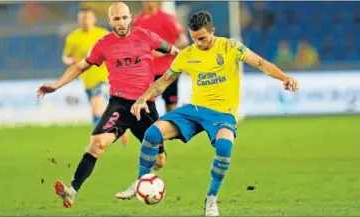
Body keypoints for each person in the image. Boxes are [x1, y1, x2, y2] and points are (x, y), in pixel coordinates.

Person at [116, 11, 299, 216]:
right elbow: (164, 81)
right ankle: (141, 180)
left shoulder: (230, 47)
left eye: (202, 38)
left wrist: (284, 77)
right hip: (195, 110)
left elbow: (260, 63)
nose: (198, 44)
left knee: (223, 146)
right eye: (194, 39)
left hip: (223, 114)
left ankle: (211, 199)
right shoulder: (188, 54)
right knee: (151, 134)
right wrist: (142, 99)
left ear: (212, 31)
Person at [36, 2, 179, 208]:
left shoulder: (146, 36)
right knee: (97, 144)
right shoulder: (104, 43)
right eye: (116, 19)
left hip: (145, 105)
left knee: (160, 161)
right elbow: (80, 66)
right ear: (110, 20)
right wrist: (57, 85)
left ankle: (141, 180)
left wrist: (190, 60)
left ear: (130, 17)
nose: (121, 22)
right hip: (119, 105)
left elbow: (172, 50)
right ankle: (72, 190)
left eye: (124, 18)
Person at [62, 7, 129, 146]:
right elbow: (66, 56)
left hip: (105, 77)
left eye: (88, 18)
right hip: (87, 80)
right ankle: (120, 125)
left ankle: (98, 140)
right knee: (101, 109)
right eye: (82, 18)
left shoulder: (103, 35)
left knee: (96, 105)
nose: (85, 21)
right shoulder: (73, 37)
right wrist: (70, 61)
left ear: (94, 19)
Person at [134, 1, 189, 112]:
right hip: (147, 72)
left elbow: (184, 41)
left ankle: (172, 128)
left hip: (168, 71)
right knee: (144, 106)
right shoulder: (138, 21)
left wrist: (165, 50)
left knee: (171, 106)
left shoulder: (167, 18)